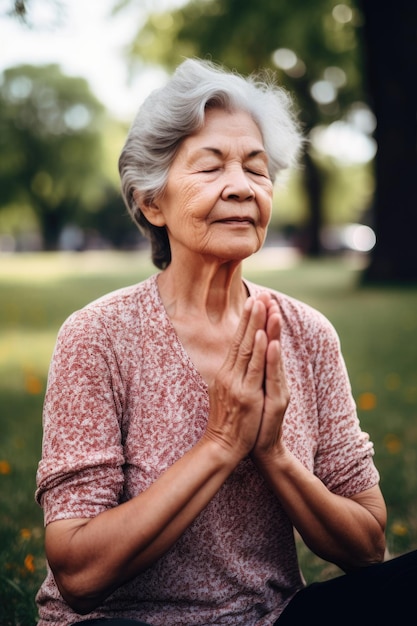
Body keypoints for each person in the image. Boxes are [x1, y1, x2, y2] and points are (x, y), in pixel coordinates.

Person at [35, 58, 415, 626]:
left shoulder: (306, 335)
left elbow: (366, 546)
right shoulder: (97, 336)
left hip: (273, 616)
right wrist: (220, 442)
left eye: (256, 170)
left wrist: (275, 455)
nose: (241, 187)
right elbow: (79, 575)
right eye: (210, 168)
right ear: (151, 202)